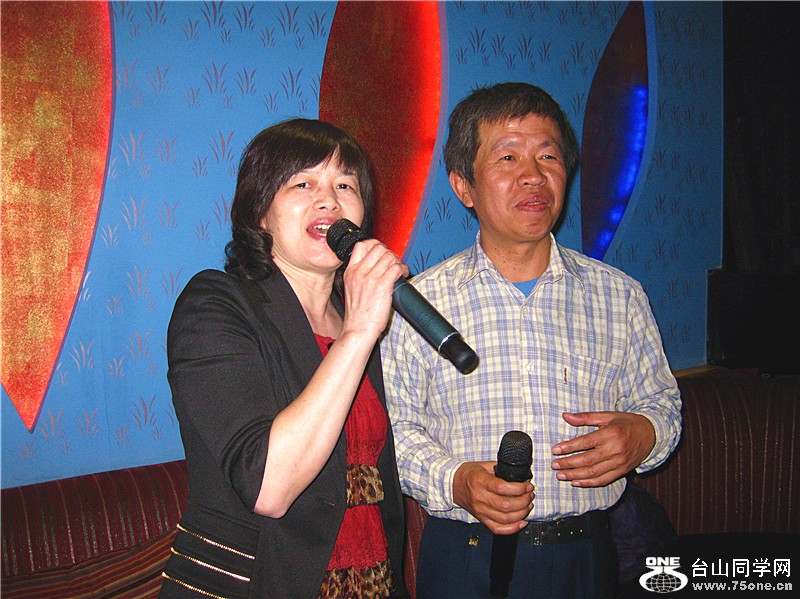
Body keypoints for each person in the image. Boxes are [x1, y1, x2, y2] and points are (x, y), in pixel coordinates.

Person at [381, 82, 682, 598]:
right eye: (507, 157)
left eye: (548, 155)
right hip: (464, 556)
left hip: (588, 554)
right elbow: (395, 431)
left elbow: (662, 404)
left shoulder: (620, 296)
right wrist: (457, 481)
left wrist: (645, 433)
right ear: (463, 187)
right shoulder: (417, 305)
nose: (533, 175)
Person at [160, 119, 410, 599]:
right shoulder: (216, 303)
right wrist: (359, 333)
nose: (329, 200)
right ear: (260, 212)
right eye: (302, 184)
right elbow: (268, 489)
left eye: (345, 185)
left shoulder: (357, 316)